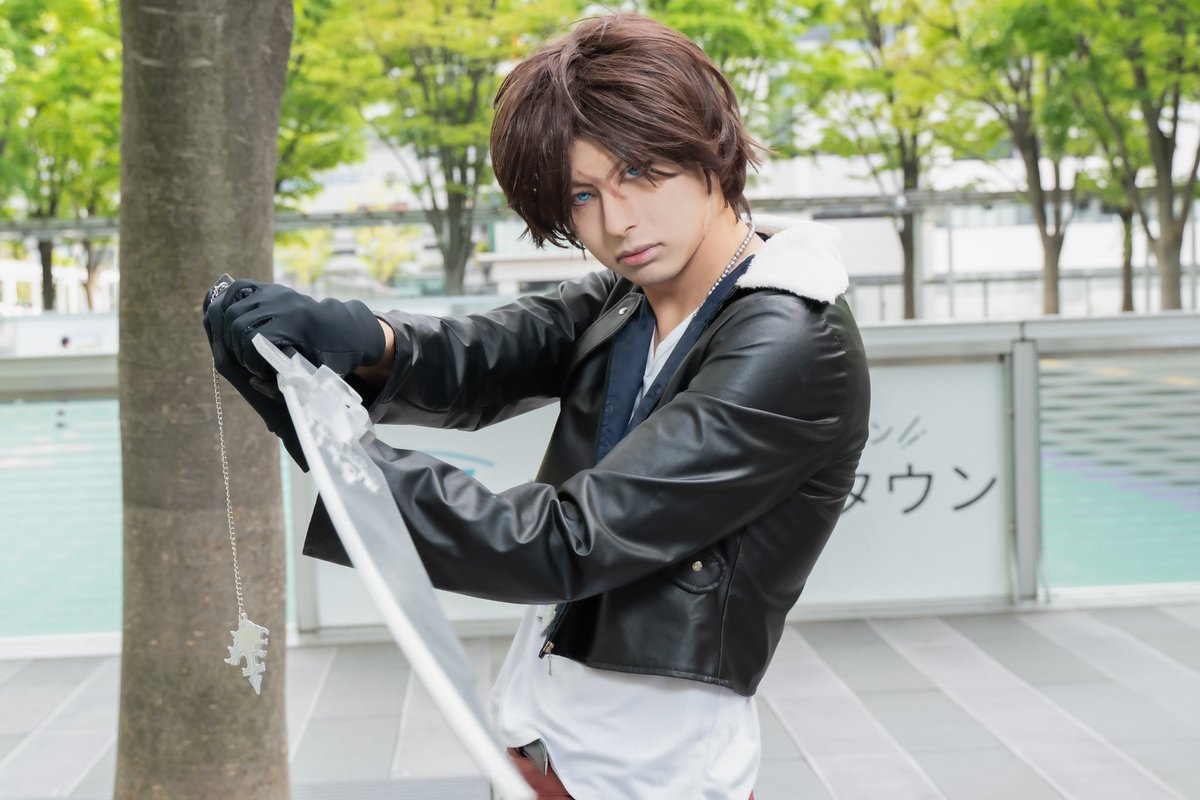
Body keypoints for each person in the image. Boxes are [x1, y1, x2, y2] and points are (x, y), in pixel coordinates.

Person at [204, 13, 869, 799]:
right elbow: (481, 356)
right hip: (544, 746)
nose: (617, 221)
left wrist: (340, 452)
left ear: (711, 146)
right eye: (583, 194)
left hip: (650, 777)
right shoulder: (633, 295)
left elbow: (567, 541)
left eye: (640, 172)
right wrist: (348, 337)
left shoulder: (789, 339)